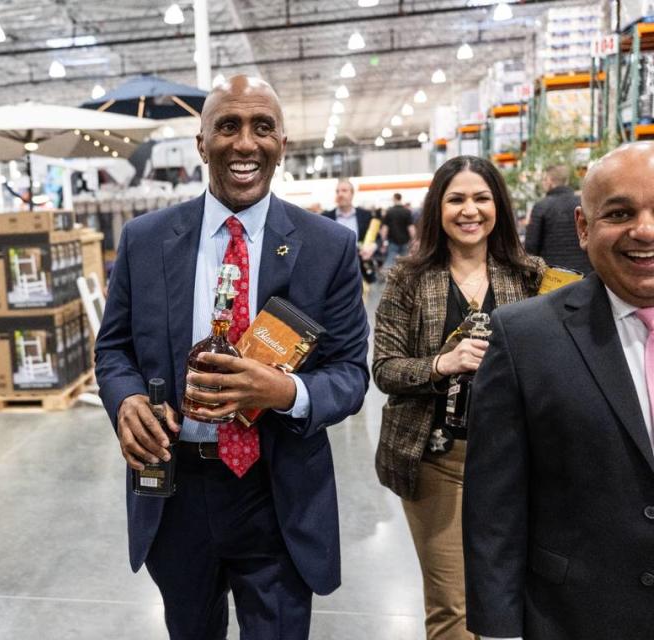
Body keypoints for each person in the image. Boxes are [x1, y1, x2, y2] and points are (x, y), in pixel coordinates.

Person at [95, 75, 369, 639]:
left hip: (278, 490)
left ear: (282, 145)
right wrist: (125, 402)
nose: (245, 143)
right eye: (228, 126)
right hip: (178, 489)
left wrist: (284, 392)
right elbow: (114, 348)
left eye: (262, 127)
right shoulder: (146, 240)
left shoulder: (327, 247)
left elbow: (348, 374)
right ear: (202, 144)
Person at [464, 143, 654, 639]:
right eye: (620, 212)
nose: (645, 230)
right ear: (583, 227)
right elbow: (493, 509)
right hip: (574, 618)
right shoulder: (525, 337)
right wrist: (499, 631)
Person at [372, 155, 544, 640]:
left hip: (518, 462)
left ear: (499, 206)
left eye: (481, 198)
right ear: (437, 209)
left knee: (521, 593)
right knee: (452, 607)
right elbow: (383, 368)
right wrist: (439, 365)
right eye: (456, 199)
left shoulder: (532, 277)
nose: (470, 210)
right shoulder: (408, 278)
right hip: (438, 461)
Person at [524, 163, 592, 274]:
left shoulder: (541, 206)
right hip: (583, 274)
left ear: (550, 181)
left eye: (544, 180)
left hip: (552, 277)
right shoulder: (583, 203)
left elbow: (531, 247)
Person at [381, 192, 416, 268]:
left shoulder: (389, 212)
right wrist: (413, 240)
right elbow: (411, 228)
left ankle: (387, 278)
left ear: (394, 199)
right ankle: (406, 278)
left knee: (390, 263)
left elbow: (384, 229)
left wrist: (383, 241)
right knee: (406, 263)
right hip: (405, 242)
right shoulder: (407, 212)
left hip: (393, 241)